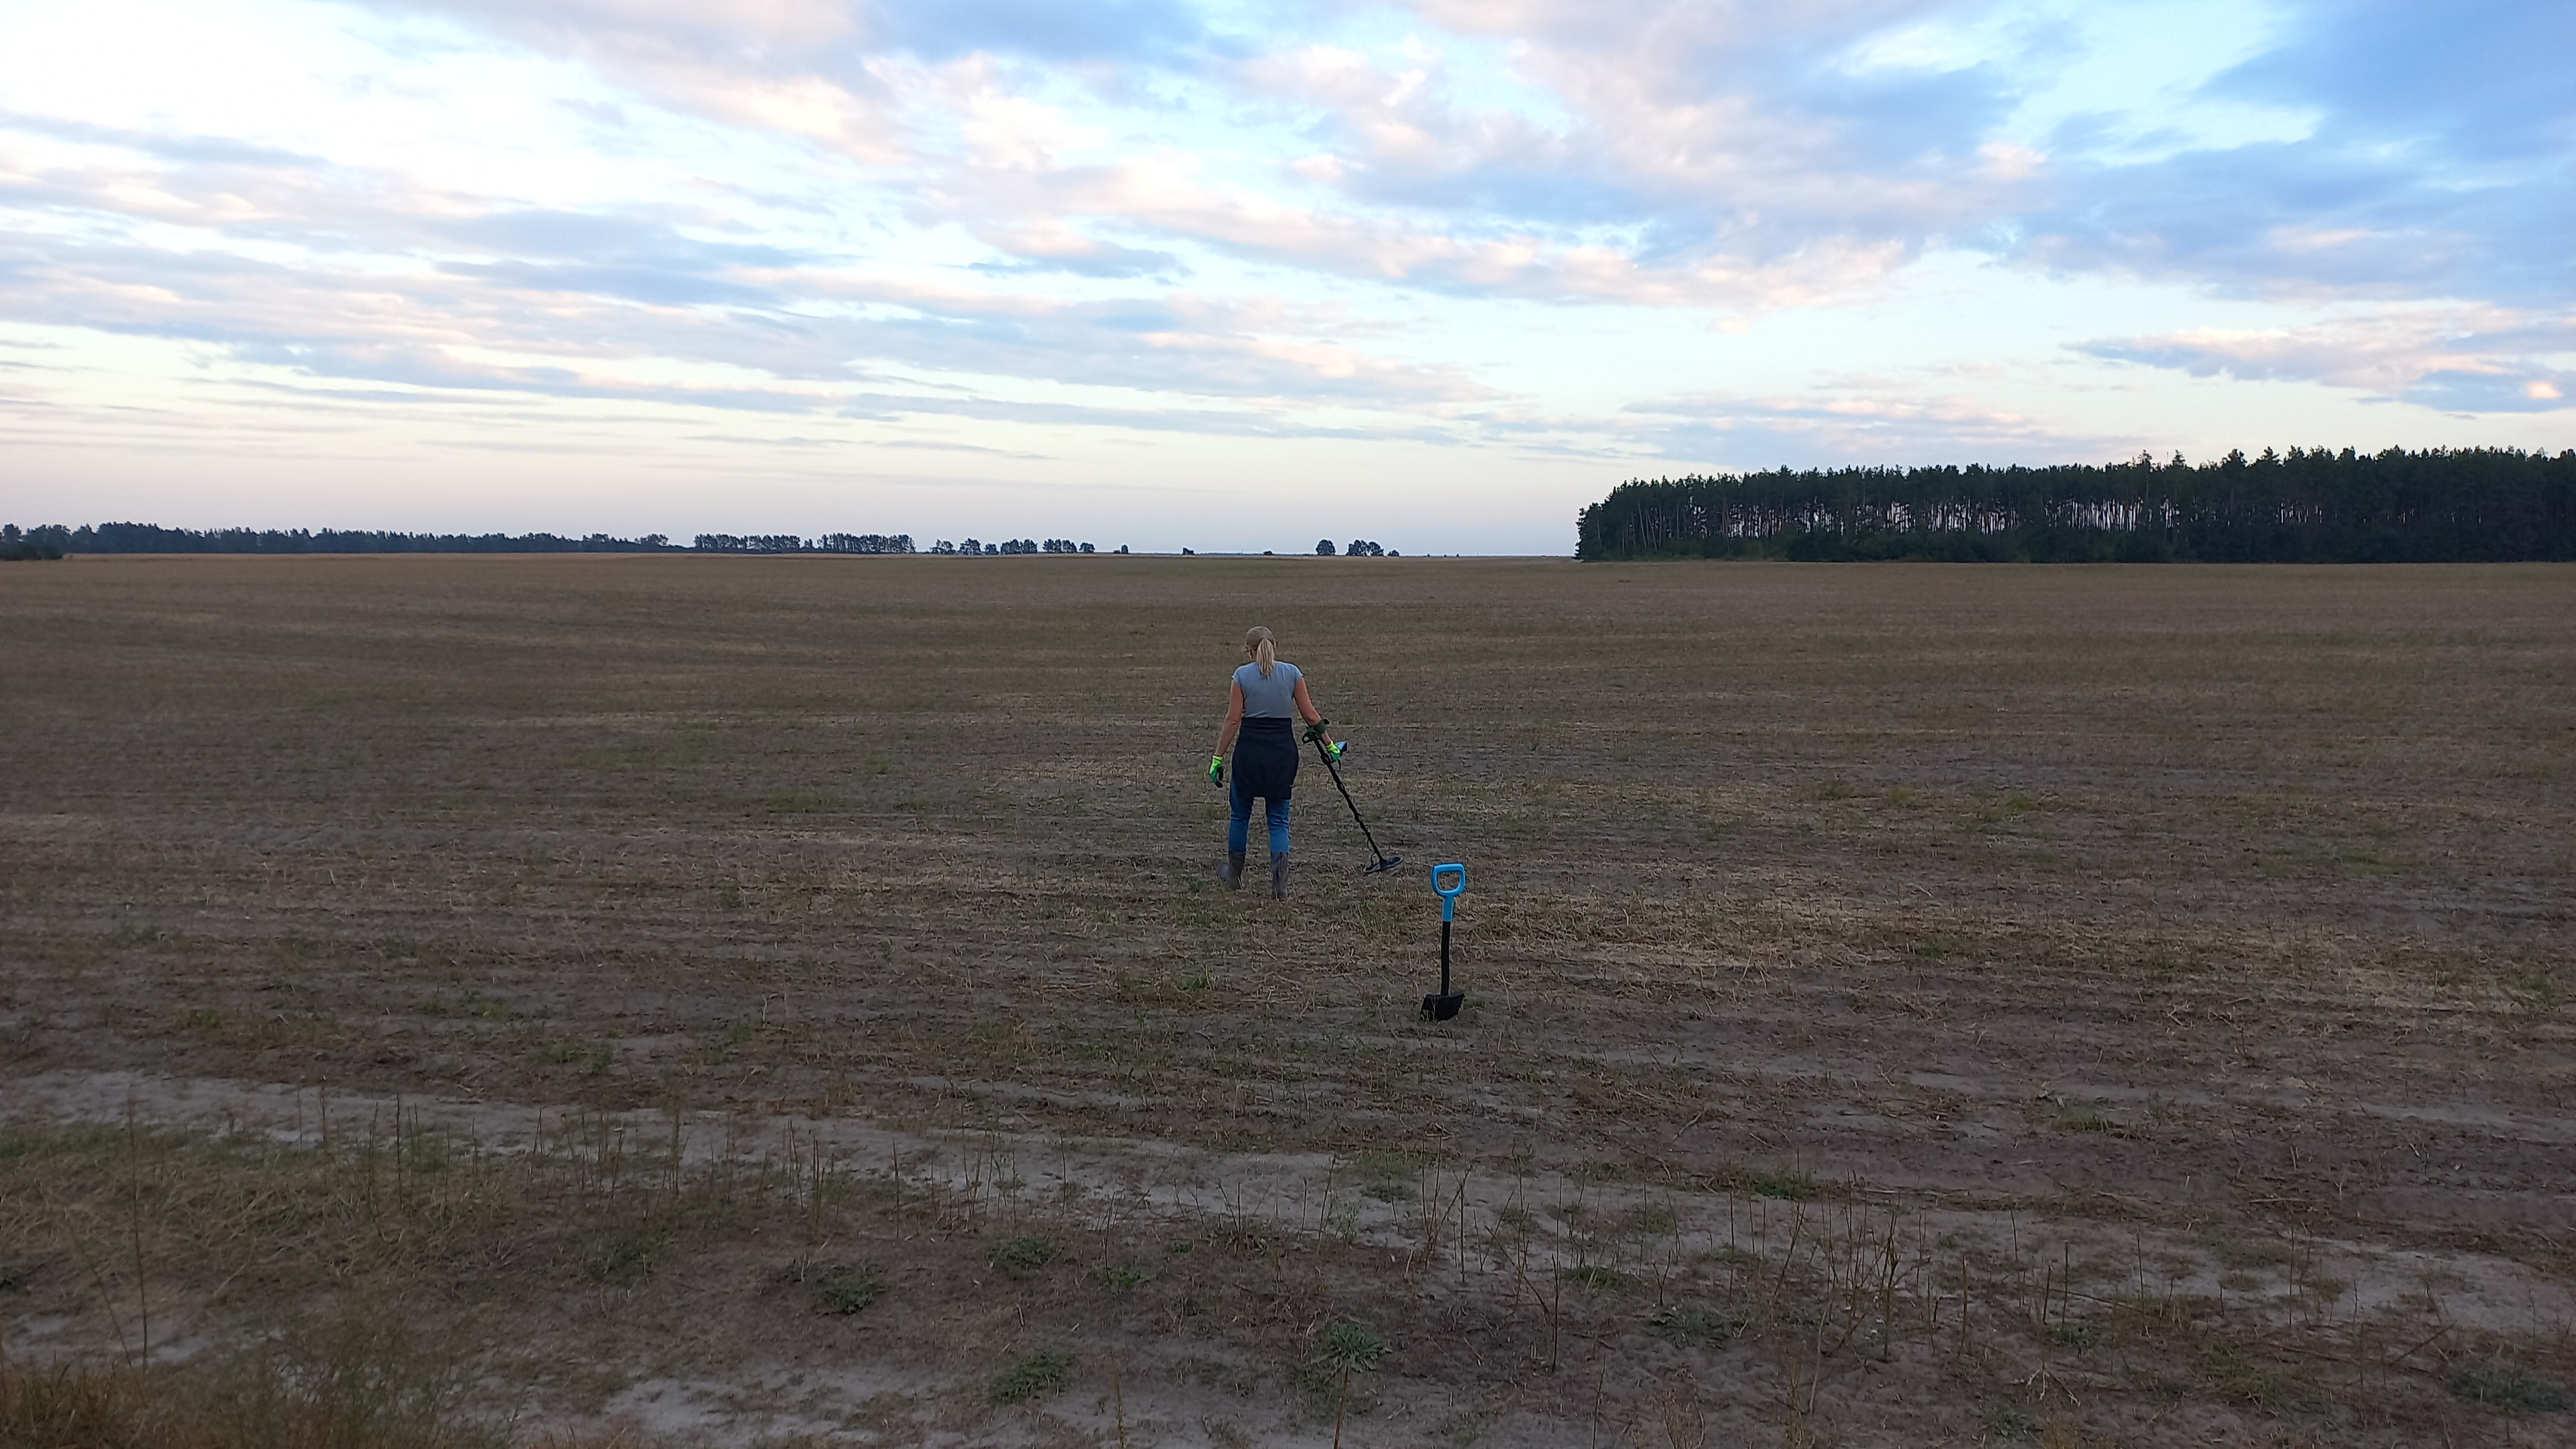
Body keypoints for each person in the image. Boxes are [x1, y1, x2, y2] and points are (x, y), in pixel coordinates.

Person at [1208, 625, 1338, 898]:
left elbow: (1233, 719)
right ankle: (1279, 886)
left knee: (1240, 815)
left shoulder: (1241, 676)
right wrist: (1331, 745)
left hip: (1249, 755)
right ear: (1274, 647)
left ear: (1249, 651)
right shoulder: (1292, 674)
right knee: (1278, 821)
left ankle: (1234, 874)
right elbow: (1311, 716)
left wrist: (1217, 757)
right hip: (1282, 755)